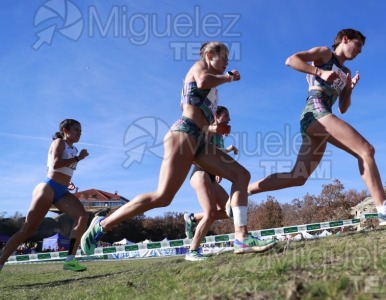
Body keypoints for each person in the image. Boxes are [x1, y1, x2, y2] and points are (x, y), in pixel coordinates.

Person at [81, 42, 277, 258]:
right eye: (224, 59)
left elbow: (200, 113)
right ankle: (103, 224)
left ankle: (242, 237)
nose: (227, 64)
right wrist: (229, 77)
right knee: (163, 197)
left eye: (228, 61)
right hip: (183, 134)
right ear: (210, 55)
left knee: (241, 175)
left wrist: (214, 128)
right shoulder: (199, 68)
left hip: (200, 140)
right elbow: (202, 82)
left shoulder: (214, 87)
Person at [246, 29, 386, 226]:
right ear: (345, 39)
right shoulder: (325, 53)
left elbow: (343, 109)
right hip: (316, 110)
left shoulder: (346, 73)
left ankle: (246, 190)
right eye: (358, 45)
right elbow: (291, 60)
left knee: (298, 177)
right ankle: (384, 209)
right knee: (365, 150)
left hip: (321, 118)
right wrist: (319, 71)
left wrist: (349, 90)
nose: (360, 51)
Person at [0, 119, 89, 272]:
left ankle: (70, 260)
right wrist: (78, 159)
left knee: (82, 217)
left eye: (81, 131)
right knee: (28, 230)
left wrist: (67, 182)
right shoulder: (59, 142)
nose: (79, 133)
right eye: (76, 130)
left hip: (62, 190)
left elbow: (63, 170)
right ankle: (1, 261)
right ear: (65, 130)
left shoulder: (74, 149)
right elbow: (55, 164)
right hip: (47, 188)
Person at [183, 105, 239, 261]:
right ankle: (192, 251)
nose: (229, 118)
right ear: (217, 116)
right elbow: (203, 149)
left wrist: (228, 150)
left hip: (211, 175)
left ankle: (193, 218)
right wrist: (212, 129)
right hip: (200, 172)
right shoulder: (208, 129)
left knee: (230, 210)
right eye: (226, 115)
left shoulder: (220, 136)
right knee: (210, 213)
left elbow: (216, 152)